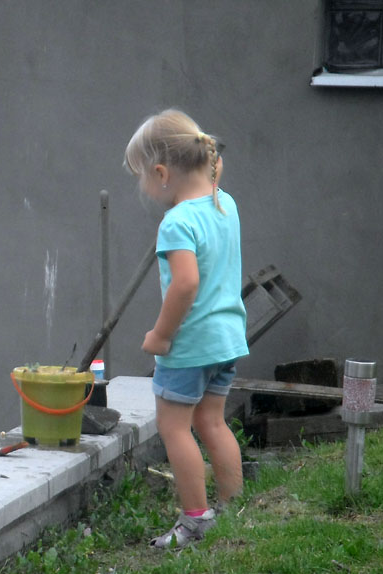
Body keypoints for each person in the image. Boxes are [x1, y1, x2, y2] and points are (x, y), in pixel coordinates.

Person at [124, 109, 248, 549]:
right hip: (227, 340)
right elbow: (215, 170)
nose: (143, 186)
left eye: (142, 176)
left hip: (190, 345)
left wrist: (160, 335)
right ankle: (233, 508)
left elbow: (185, 284)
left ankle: (196, 521)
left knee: (175, 427)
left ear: (162, 173)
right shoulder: (223, 203)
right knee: (212, 421)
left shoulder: (177, 222)